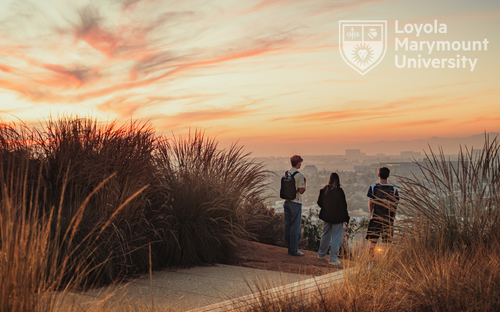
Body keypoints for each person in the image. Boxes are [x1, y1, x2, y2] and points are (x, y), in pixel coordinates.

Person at [317, 173, 350, 266]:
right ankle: (333, 258)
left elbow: (319, 203)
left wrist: (326, 208)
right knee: (336, 238)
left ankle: (321, 254)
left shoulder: (324, 190)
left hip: (326, 217)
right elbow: (344, 206)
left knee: (325, 235)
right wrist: (347, 219)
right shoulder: (340, 192)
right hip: (338, 218)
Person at [366, 167, 399, 257]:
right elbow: (395, 206)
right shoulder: (394, 189)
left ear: (378, 175)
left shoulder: (373, 187)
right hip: (388, 219)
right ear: (388, 175)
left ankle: (370, 263)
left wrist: (371, 215)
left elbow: (371, 203)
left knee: (372, 243)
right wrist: (392, 218)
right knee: (388, 244)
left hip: (376, 218)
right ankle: (387, 264)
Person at [283, 155, 306, 256]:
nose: (300, 165)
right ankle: (294, 250)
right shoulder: (299, 175)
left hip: (286, 202)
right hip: (295, 203)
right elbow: (301, 191)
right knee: (295, 227)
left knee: (287, 226)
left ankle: (289, 248)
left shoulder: (286, 174)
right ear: (298, 163)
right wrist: (304, 182)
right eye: (300, 163)